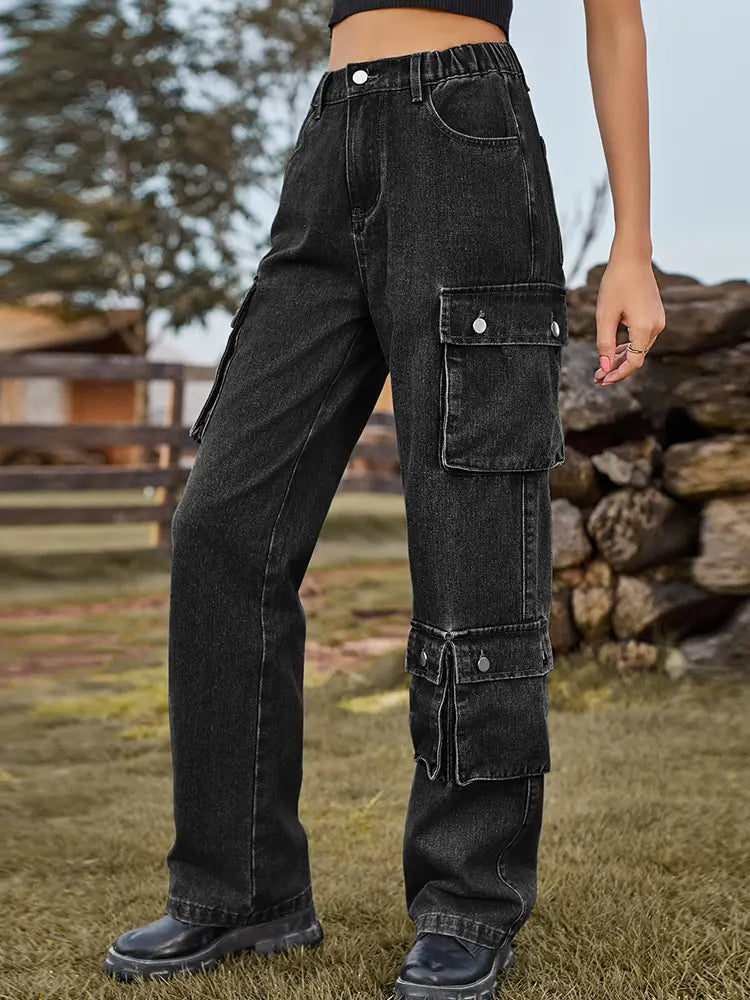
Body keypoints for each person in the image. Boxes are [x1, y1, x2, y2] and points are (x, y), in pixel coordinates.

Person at [103, 1, 666, 996]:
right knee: (222, 525)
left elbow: (614, 18)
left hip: (467, 132)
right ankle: (243, 889)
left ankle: (467, 900)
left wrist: (632, 245)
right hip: (330, 138)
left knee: (471, 542)